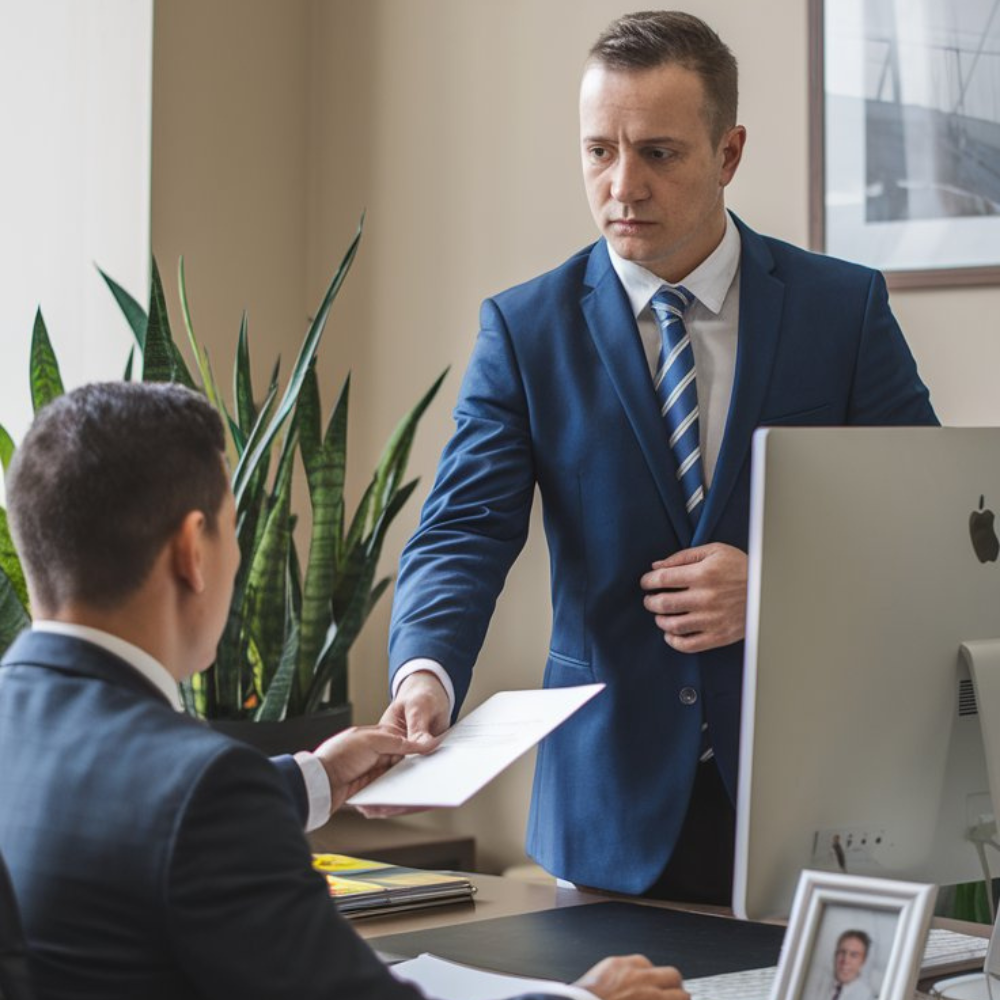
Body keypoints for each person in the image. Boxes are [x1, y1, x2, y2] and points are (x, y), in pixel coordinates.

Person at [384, 10, 938, 904]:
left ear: (728, 153)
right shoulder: (525, 331)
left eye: (659, 154)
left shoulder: (845, 312)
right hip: (609, 809)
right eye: (599, 151)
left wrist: (776, 592)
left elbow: (931, 530)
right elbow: (462, 533)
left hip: (815, 802)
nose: (622, 186)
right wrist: (425, 672)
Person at [0, 382, 687, 1000]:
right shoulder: (203, 793)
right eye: (234, 526)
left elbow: (129, 808)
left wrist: (317, 777)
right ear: (192, 552)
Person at [806, 930, 876, 1000]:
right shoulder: (812, 986)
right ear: (835, 955)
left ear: (863, 961)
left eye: (853, 955)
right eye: (842, 952)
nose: (845, 960)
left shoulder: (867, 997)